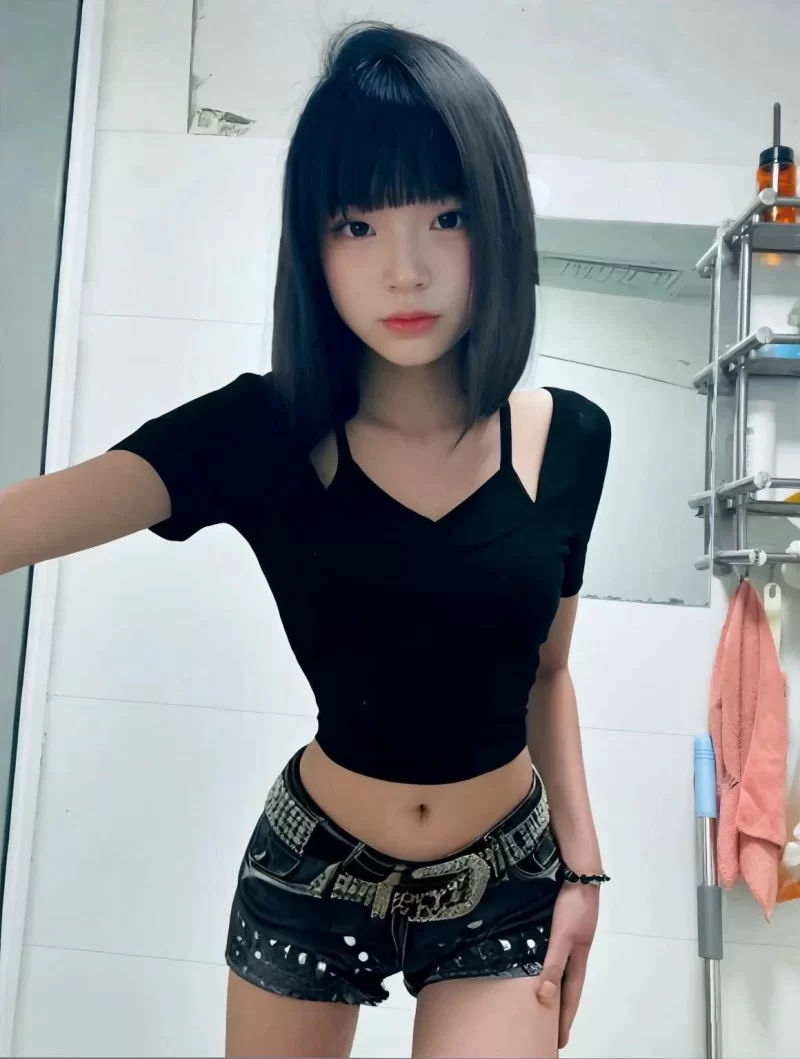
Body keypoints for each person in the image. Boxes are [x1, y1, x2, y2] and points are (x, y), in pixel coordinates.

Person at [0, 21, 611, 1059]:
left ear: (499, 222)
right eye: (357, 225)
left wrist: (583, 870)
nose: (405, 271)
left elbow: (549, 672)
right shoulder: (259, 432)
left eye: (446, 217)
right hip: (312, 871)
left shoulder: (572, 440)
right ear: (311, 245)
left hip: (506, 874)